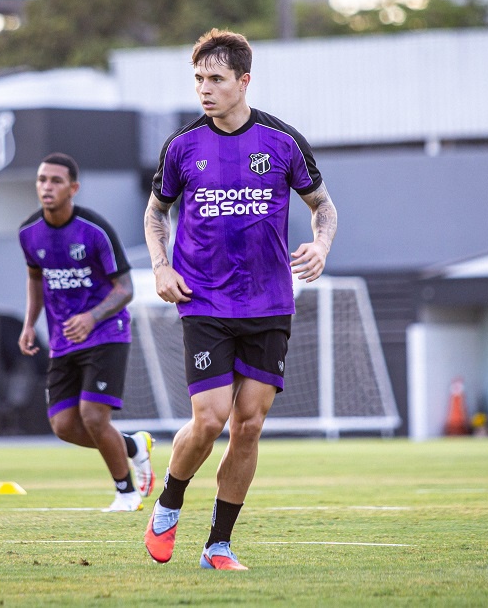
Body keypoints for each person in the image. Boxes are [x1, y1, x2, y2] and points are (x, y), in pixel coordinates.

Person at [142, 28, 338, 570]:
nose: (204, 90)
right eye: (199, 79)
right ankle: (169, 503)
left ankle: (218, 546)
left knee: (248, 424)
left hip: (269, 303)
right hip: (203, 300)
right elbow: (156, 212)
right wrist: (160, 266)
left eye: (216, 79)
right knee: (209, 420)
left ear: (243, 81)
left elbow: (324, 206)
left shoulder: (282, 141)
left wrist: (320, 246)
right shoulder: (183, 146)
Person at [17, 152, 155, 513]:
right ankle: (134, 447)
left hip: (106, 333)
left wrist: (92, 317)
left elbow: (126, 289)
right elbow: (35, 280)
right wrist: (30, 323)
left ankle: (126, 492)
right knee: (64, 425)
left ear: (73, 188)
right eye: (42, 179)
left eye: (56, 181)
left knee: (93, 417)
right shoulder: (29, 233)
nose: (47, 187)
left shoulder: (94, 230)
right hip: (63, 340)